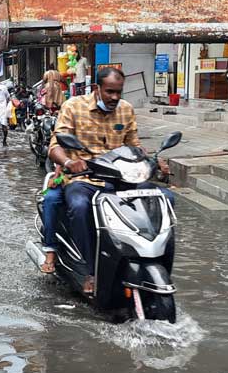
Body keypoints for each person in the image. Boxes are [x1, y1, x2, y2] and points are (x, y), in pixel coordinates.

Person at [48, 67, 173, 295]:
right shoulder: (73, 107)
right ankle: (88, 269)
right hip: (85, 179)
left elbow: (134, 145)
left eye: (119, 92)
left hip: (123, 181)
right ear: (97, 89)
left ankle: (152, 256)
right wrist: (68, 163)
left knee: (165, 199)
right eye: (110, 92)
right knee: (79, 206)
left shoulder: (126, 110)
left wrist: (154, 161)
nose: (115, 97)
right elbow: (55, 146)